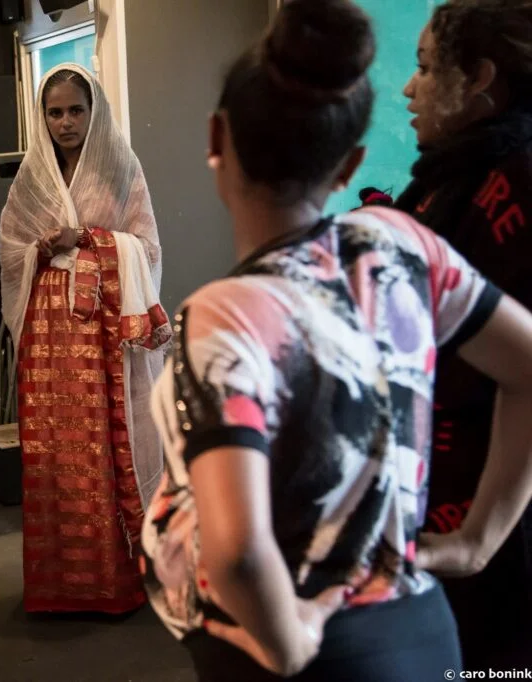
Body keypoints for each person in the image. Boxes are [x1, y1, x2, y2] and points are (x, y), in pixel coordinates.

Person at [139, 1, 532, 680]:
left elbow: (236, 552)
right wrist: (477, 542)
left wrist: (292, 643)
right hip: (421, 627)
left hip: (300, 650)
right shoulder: (401, 244)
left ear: (215, 139)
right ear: (349, 165)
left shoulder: (225, 315)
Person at [0, 64, 169, 614]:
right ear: (41, 118)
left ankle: (113, 581)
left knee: (104, 445)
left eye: (75, 110)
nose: (65, 122)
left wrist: (89, 240)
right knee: (55, 450)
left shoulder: (121, 166)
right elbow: (10, 247)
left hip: (103, 333)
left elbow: (146, 246)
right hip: (49, 336)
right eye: (54, 112)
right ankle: (60, 586)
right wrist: (42, 249)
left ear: (94, 112)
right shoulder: (34, 175)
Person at [395, 0, 532, 667]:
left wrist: (479, 536)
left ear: (479, 76)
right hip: (440, 497)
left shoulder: (518, 183)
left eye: (423, 68)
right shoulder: (454, 177)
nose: (407, 88)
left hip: (496, 522)